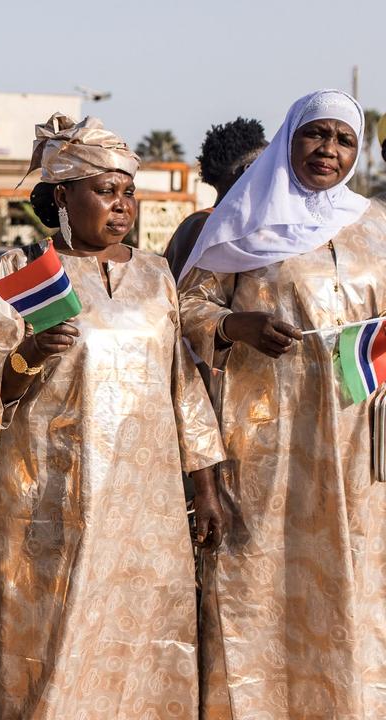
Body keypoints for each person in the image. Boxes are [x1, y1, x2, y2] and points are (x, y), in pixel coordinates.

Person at [0, 113, 224, 719]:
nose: (121, 206)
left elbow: (181, 383)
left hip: (146, 504)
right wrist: (29, 353)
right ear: (62, 196)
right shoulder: (21, 270)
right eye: (104, 191)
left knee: (141, 632)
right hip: (49, 497)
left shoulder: (157, 275)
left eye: (127, 192)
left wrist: (205, 484)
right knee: (49, 632)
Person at [180, 89, 386, 718]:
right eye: (314, 135)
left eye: (343, 139)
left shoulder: (375, 223)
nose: (328, 149)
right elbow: (183, 308)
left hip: (359, 439)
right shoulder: (241, 222)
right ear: (288, 140)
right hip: (267, 443)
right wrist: (235, 327)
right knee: (264, 576)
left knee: (359, 575)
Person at [164, 118, 268, 279]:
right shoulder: (206, 225)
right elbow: (184, 297)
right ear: (249, 171)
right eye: (269, 166)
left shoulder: (209, 222)